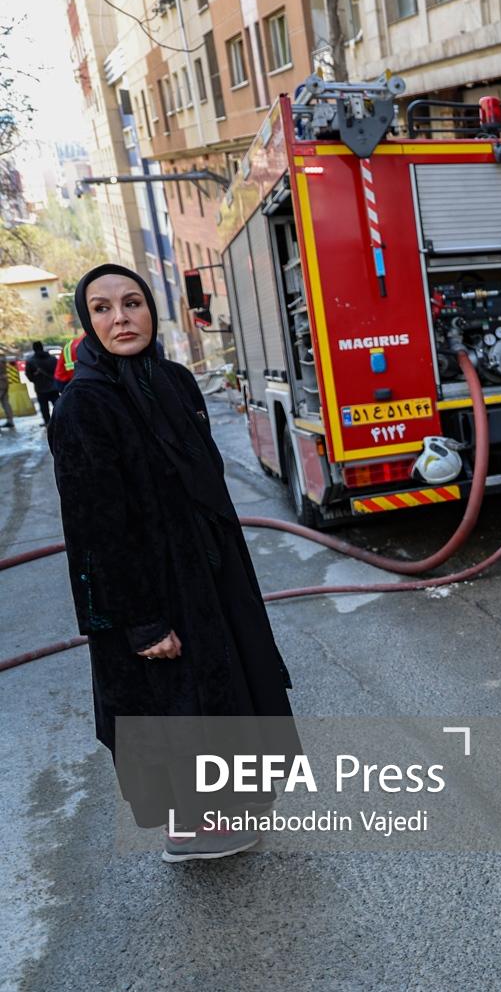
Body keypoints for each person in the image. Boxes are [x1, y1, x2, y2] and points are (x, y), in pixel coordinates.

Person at [49, 263, 297, 863]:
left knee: (223, 695)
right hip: (148, 591)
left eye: (132, 303)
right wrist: (143, 623)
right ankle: (189, 830)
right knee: (175, 708)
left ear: (152, 312)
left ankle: (225, 811)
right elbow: (96, 532)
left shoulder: (175, 381)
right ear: (87, 322)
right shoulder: (84, 406)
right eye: (103, 308)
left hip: (206, 577)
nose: (121, 318)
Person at [25, 341, 59, 426]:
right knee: (58, 406)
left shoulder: (30, 361)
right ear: (42, 347)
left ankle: (48, 423)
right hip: (54, 387)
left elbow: (29, 377)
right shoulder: (53, 359)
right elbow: (58, 372)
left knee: (44, 408)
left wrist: (36, 378)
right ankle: (60, 421)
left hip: (40, 388)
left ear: (34, 349)